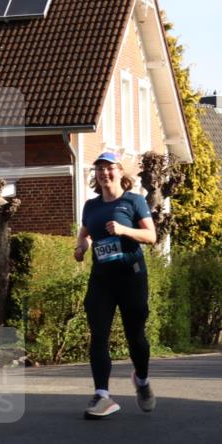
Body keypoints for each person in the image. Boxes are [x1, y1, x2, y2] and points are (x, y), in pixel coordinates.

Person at [74, 152, 157, 419]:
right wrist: (80, 248)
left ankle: (142, 381)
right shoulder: (91, 206)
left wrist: (124, 230)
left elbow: (151, 236)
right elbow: (84, 235)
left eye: (109, 168)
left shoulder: (134, 201)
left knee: (136, 337)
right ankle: (102, 395)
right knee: (98, 335)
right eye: (99, 169)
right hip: (102, 279)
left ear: (120, 172)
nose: (104, 173)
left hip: (131, 277)